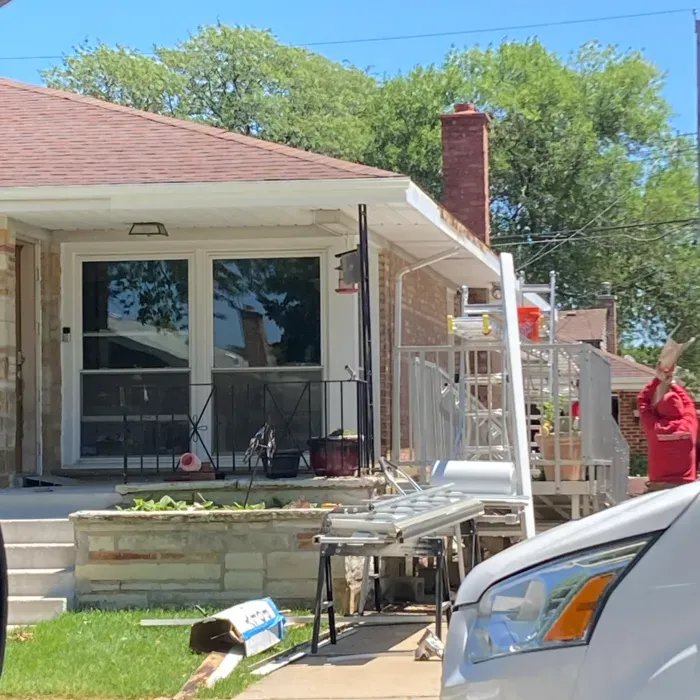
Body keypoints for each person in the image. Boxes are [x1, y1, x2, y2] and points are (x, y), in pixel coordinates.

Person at [637, 368, 698, 491]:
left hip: (658, 486)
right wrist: (674, 384)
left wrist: (657, 380)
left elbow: (642, 400)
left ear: (660, 409)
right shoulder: (689, 424)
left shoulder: (654, 427)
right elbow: (689, 404)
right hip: (686, 486)